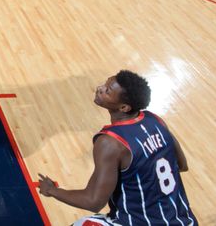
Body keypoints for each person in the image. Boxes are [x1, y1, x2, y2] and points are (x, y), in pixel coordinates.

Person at [38, 71, 198, 225]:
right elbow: (181, 165)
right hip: (184, 221)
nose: (100, 88)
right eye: (105, 84)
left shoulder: (111, 142)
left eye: (107, 91)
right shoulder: (155, 121)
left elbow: (93, 201)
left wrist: (52, 190)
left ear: (124, 108)